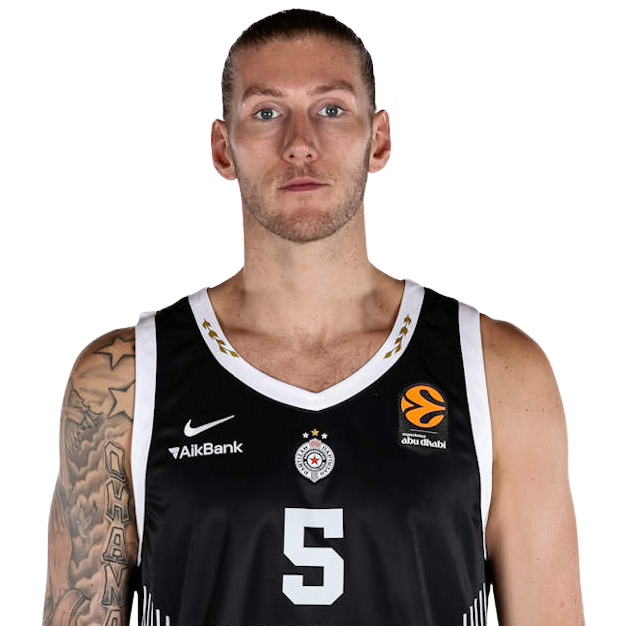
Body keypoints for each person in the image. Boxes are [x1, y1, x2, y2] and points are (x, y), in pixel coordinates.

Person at [43, 9, 586, 626]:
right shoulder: (123, 381)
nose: (299, 142)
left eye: (331, 109)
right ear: (222, 148)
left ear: (378, 140)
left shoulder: (499, 371)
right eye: (266, 112)